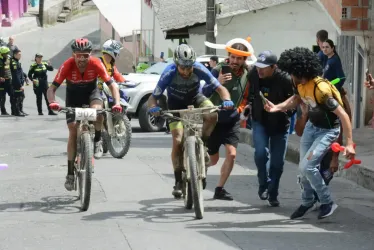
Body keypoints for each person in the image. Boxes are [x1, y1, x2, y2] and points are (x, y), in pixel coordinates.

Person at [265, 47, 355, 219]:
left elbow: (343, 115)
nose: (290, 77)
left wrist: (349, 143)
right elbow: (296, 99)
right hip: (311, 128)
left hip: (328, 131)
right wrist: (277, 107)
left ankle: (327, 202)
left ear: (299, 71)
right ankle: (307, 201)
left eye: (292, 73)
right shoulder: (300, 85)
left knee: (308, 166)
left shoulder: (321, 90)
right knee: (302, 170)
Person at [147, 44, 233, 199]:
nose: (186, 71)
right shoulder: (169, 73)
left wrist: (226, 100)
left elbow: (220, 88)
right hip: (175, 105)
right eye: (182, 68)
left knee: (213, 113)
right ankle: (178, 180)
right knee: (178, 140)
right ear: (176, 64)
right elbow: (154, 97)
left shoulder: (200, 69)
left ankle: (204, 144)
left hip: (196, 99)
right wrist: (153, 107)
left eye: (189, 67)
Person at [47, 38, 122, 191]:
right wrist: (52, 102)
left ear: (90, 54)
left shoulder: (95, 63)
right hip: (73, 97)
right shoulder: (67, 65)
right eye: (79, 55)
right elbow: (52, 88)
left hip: (91, 93)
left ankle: (98, 140)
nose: (82, 58)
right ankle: (69, 173)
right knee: (73, 130)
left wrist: (117, 103)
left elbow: (112, 85)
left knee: (98, 113)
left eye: (85, 55)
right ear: (74, 54)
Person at [204, 43, 251, 200]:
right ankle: (200, 171)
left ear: (244, 59)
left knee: (231, 154)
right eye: (232, 57)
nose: (235, 61)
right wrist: (217, 82)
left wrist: (240, 109)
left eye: (239, 58)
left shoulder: (247, 74)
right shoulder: (218, 69)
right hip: (214, 119)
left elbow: (245, 96)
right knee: (213, 159)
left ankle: (219, 189)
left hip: (232, 120)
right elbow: (204, 92)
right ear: (228, 56)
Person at [248, 50, 294, 207]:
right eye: (258, 66)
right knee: (260, 153)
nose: (259, 70)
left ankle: (273, 193)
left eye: (263, 67)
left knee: (277, 162)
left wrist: (281, 109)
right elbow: (250, 93)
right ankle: (263, 184)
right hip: (259, 120)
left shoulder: (286, 80)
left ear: (274, 67)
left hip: (280, 124)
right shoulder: (253, 74)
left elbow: (294, 103)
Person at [95, 39, 126, 158]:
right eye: (117, 51)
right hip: (99, 89)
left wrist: (125, 81)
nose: (118, 54)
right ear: (112, 51)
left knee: (120, 97)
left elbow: (117, 75)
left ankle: (117, 118)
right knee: (101, 109)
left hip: (109, 88)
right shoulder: (99, 61)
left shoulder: (112, 64)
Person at [10, 49, 28, 116]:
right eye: (19, 54)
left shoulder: (16, 61)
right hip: (16, 83)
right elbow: (15, 75)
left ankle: (20, 110)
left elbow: (20, 71)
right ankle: (17, 112)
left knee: (21, 96)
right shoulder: (14, 62)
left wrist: (25, 76)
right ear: (15, 55)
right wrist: (20, 85)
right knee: (18, 97)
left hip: (19, 82)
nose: (20, 56)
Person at [0, 46, 16, 115]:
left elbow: (13, 69)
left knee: (13, 95)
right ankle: (3, 111)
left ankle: (14, 110)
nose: (7, 54)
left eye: (7, 53)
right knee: (2, 97)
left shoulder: (9, 58)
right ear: (2, 54)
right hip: (1, 82)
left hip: (9, 80)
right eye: (5, 53)